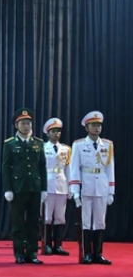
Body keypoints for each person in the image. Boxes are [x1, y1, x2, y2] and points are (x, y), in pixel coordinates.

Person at [2, 108, 47, 264]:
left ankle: (32, 253)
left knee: (34, 223)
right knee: (18, 223)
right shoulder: (10, 144)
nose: (26, 126)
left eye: (28, 123)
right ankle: (19, 253)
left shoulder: (38, 143)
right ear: (17, 125)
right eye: (23, 123)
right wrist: (8, 188)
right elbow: (6, 168)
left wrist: (44, 188)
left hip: (34, 187)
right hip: (18, 188)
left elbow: (42, 167)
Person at [69, 111, 114, 265]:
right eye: (93, 125)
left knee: (100, 221)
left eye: (99, 125)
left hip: (101, 185)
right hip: (86, 185)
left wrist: (111, 191)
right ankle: (87, 253)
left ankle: (98, 254)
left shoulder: (107, 145)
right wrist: (75, 191)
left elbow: (110, 168)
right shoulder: (79, 145)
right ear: (87, 127)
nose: (97, 128)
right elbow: (74, 169)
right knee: (86, 221)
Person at [41, 118, 71, 256]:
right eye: (53, 131)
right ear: (48, 133)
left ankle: (58, 245)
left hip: (62, 184)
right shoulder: (42, 148)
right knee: (47, 217)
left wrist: (70, 187)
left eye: (58, 131)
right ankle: (47, 244)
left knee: (60, 217)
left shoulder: (66, 149)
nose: (56, 134)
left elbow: (69, 169)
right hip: (48, 184)